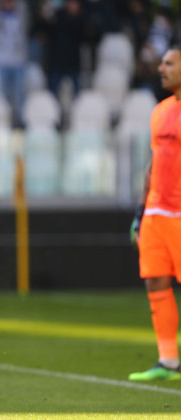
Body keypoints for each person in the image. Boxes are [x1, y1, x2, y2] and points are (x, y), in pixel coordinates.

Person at [129, 44, 181, 382]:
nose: (161, 68)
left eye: (169, 63)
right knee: (156, 282)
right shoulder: (160, 110)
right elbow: (153, 164)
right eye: (161, 63)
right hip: (155, 213)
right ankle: (169, 362)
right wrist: (139, 211)